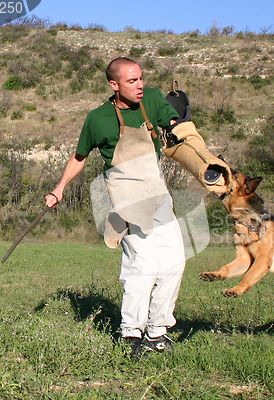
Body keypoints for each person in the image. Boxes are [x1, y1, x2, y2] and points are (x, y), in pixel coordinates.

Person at [45, 57, 186, 358]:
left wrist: (182, 130)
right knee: (144, 264)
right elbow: (79, 157)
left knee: (175, 262)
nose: (140, 85)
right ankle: (131, 333)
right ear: (114, 85)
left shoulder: (151, 99)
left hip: (158, 194)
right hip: (127, 197)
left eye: (141, 78)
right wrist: (60, 188)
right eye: (132, 81)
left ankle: (158, 332)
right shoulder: (98, 118)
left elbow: (175, 124)